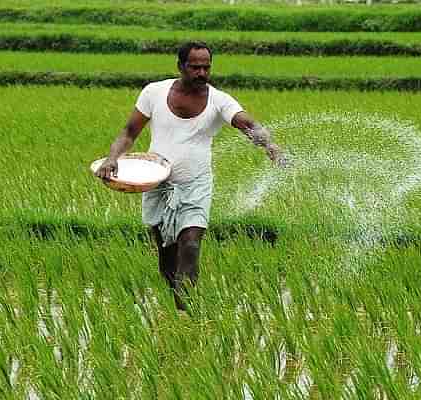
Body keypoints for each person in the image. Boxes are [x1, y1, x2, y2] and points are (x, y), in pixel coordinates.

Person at [95, 41, 284, 311]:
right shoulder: (154, 93)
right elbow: (129, 132)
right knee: (167, 257)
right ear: (181, 66)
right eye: (195, 67)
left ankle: (187, 312)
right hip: (157, 184)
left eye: (206, 67)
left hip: (196, 185)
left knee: (191, 244)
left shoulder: (219, 100)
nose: (202, 73)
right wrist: (112, 158)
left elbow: (248, 124)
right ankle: (177, 303)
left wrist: (271, 147)